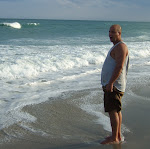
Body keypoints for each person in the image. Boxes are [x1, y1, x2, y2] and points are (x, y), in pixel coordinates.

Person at [101, 24, 129, 144]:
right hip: (114, 85)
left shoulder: (121, 47)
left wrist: (111, 83)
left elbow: (119, 66)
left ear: (119, 33)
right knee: (116, 111)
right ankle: (117, 135)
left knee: (113, 111)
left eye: (113, 32)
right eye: (109, 32)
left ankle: (115, 138)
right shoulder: (117, 46)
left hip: (115, 86)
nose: (110, 34)